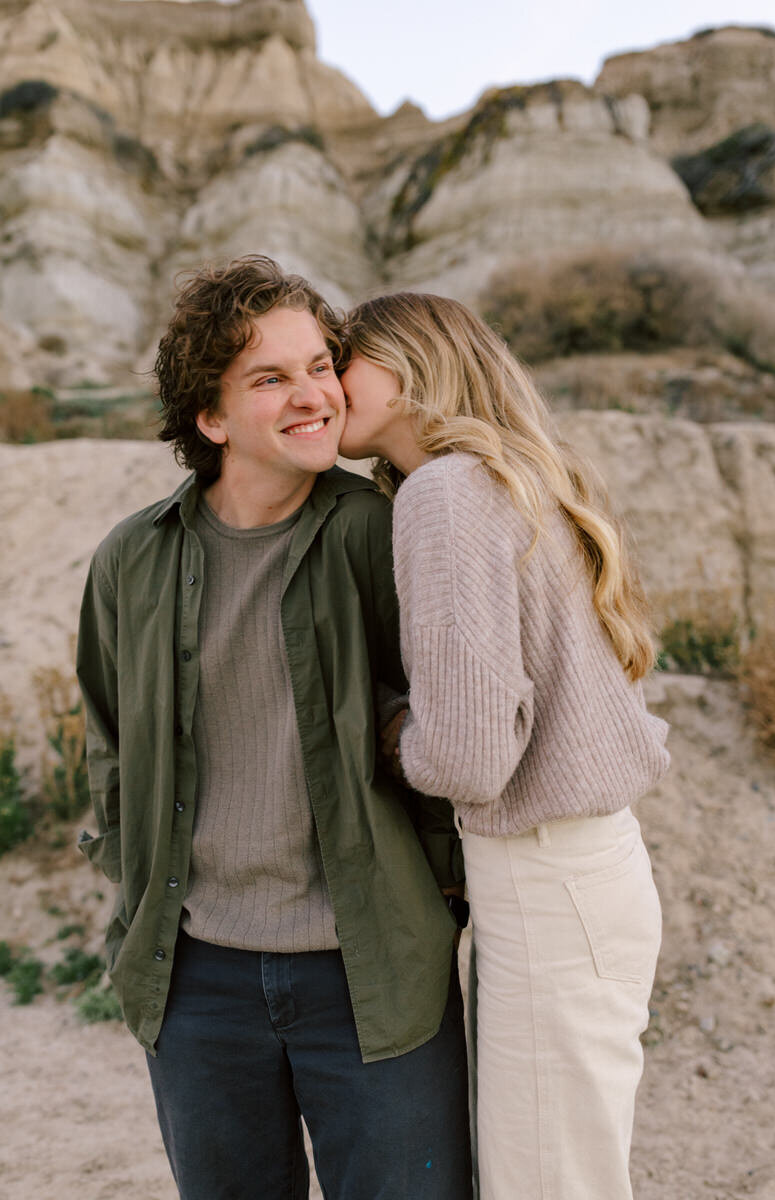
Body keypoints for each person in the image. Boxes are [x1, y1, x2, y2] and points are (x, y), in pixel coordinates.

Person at [76, 257, 472, 1200]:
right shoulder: (132, 558)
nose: (314, 395)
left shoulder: (379, 531)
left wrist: (438, 894)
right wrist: (129, 875)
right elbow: (109, 737)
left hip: (371, 972)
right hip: (195, 976)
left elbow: (446, 713)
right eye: (270, 378)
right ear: (210, 420)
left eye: (319, 365)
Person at [338, 291, 671, 1200]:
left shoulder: (443, 493)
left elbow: (471, 758)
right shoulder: (503, 478)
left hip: (546, 883)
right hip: (581, 873)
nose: (328, 384)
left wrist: (390, 728)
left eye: (344, 359)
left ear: (405, 369)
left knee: (546, 1182)